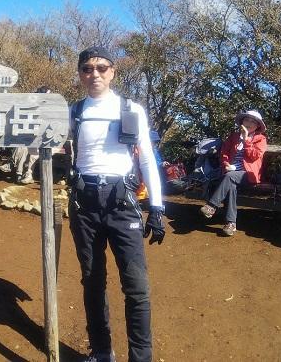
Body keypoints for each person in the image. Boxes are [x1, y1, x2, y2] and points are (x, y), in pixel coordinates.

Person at [68, 46, 164, 362]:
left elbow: (147, 158)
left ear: (113, 72)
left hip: (122, 203)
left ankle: (141, 357)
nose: (94, 73)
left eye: (101, 68)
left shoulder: (130, 108)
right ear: (80, 73)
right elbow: (52, 146)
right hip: (84, 204)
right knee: (92, 281)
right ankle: (101, 352)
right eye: (87, 68)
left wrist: (158, 207)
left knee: (136, 286)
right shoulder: (74, 111)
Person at [200, 110, 268, 236]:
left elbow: (255, 156)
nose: (249, 123)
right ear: (242, 122)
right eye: (247, 120)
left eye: (253, 122)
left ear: (257, 126)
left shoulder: (260, 139)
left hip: (249, 175)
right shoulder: (234, 137)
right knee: (230, 184)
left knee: (229, 177)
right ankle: (231, 224)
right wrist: (226, 164)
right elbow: (224, 153)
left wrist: (247, 139)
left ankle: (211, 206)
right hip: (230, 174)